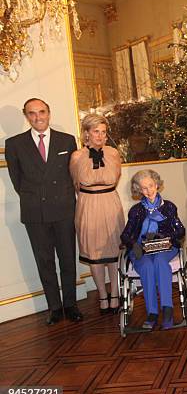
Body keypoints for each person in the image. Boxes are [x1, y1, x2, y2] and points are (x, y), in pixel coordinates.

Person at [5, 98, 83, 325]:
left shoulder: (67, 141)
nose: (37, 117)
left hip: (63, 210)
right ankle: (54, 308)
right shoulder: (14, 144)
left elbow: (72, 175)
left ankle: (71, 304)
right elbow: (17, 181)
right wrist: (36, 199)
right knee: (45, 261)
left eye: (41, 112)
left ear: (49, 113)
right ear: (26, 116)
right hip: (35, 213)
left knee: (68, 259)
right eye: (32, 113)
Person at [70, 114, 124, 314]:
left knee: (112, 251)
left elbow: (115, 178)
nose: (100, 136)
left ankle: (116, 293)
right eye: (96, 132)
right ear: (87, 133)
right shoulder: (76, 156)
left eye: (103, 132)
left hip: (110, 203)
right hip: (88, 205)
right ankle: (102, 294)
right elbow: (76, 184)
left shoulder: (113, 153)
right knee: (94, 253)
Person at [120, 170, 185, 330]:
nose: (149, 190)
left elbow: (180, 231)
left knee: (161, 262)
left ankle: (167, 309)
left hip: (165, 247)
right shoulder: (136, 211)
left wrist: (163, 237)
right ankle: (152, 313)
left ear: (157, 185)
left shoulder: (168, 207)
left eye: (151, 185)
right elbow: (125, 236)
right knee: (148, 266)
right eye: (144, 188)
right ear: (139, 190)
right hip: (141, 249)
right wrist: (137, 245)